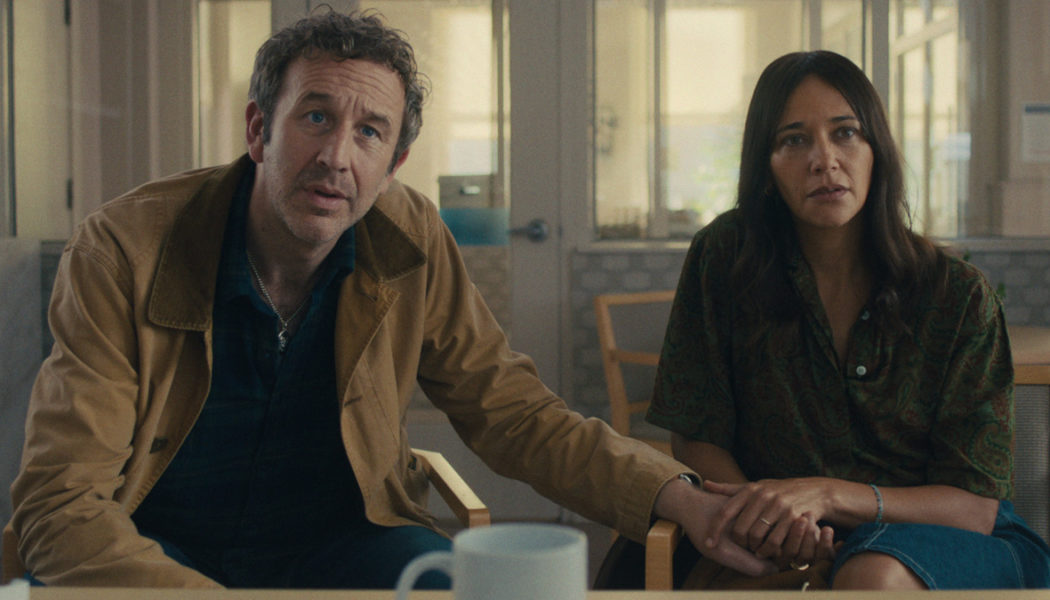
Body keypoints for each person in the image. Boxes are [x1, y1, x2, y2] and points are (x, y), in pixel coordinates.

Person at [0, 10, 786, 589]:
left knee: (447, 580)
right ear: (258, 129)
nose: (336, 156)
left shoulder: (410, 239)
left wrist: (675, 494)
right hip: (156, 552)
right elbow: (59, 503)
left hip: (346, 544)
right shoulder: (124, 250)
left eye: (370, 132)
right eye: (315, 116)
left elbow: (514, 414)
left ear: (394, 163)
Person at [646, 49, 1050, 590]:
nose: (825, 160)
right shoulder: (724, 258)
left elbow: (974, 509)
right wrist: (767, 521)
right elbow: (696, 436)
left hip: (942, 541)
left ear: (876, 149)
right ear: (764, 165)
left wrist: (827, 495)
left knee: (870, 575)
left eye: (845, 133)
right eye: (794, 140)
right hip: (775, 534)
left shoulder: (957, 295)